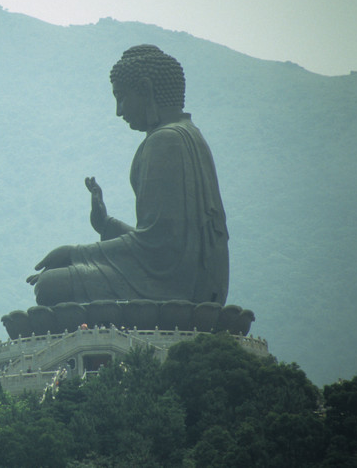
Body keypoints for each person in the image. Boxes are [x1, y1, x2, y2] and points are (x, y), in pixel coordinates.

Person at [27, 45, 229, 307]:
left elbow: (158, 252)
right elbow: (162, 242)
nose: (119, 111)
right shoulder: (189, 136)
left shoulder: (166, 141)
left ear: (145, 89)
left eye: (121, 97)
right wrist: (106, 225)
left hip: (172, 289)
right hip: (197, 286)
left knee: (49, 286)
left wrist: (74, 254)